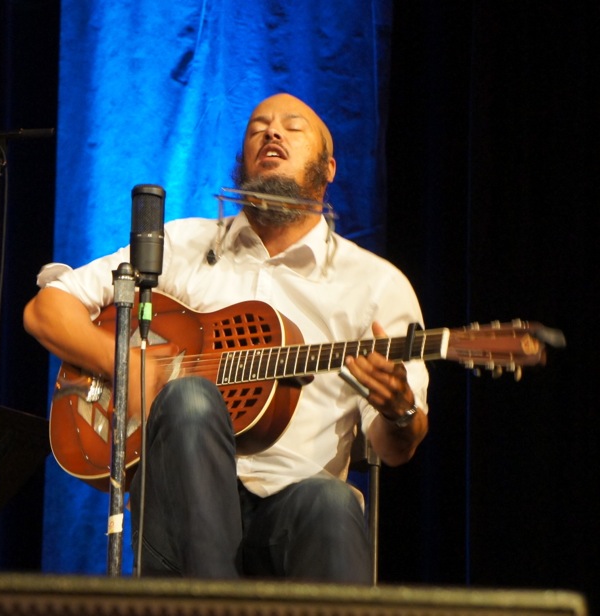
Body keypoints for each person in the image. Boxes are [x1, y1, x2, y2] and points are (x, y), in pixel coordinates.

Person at [23, 93, 429, 583]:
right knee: (191, 396)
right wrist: (127, 366)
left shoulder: (375, 285)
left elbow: (394, 447)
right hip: (177, 514)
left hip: (298, 513)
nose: (272, 132)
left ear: (328, 169)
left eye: (292, 127)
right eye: (258, 126)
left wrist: (399, 410)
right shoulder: (183, 245)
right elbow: (47, 309)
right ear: (243, 160)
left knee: (333, 501)